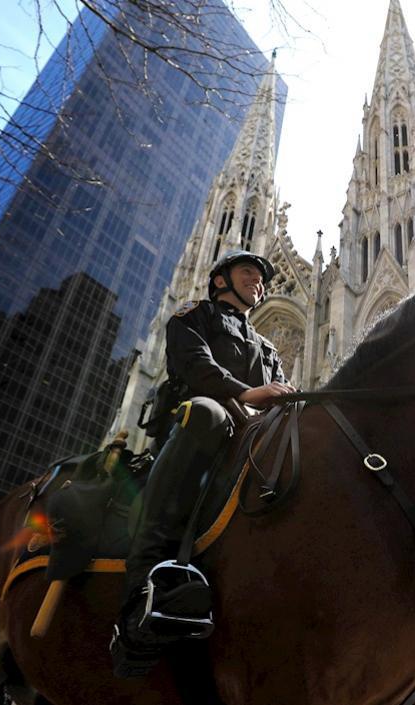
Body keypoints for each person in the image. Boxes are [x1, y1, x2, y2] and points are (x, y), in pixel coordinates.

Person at [111, 250, 293, 677]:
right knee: (207, 413)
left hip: (248, 444)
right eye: (249, 272)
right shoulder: (194, 316)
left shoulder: (266, 347)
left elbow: (283, 395)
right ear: (220, 280)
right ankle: (143, 582)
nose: (258, 282)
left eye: (262, 278)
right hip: (193, 433)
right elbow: (195, 367)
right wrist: (247, 396)